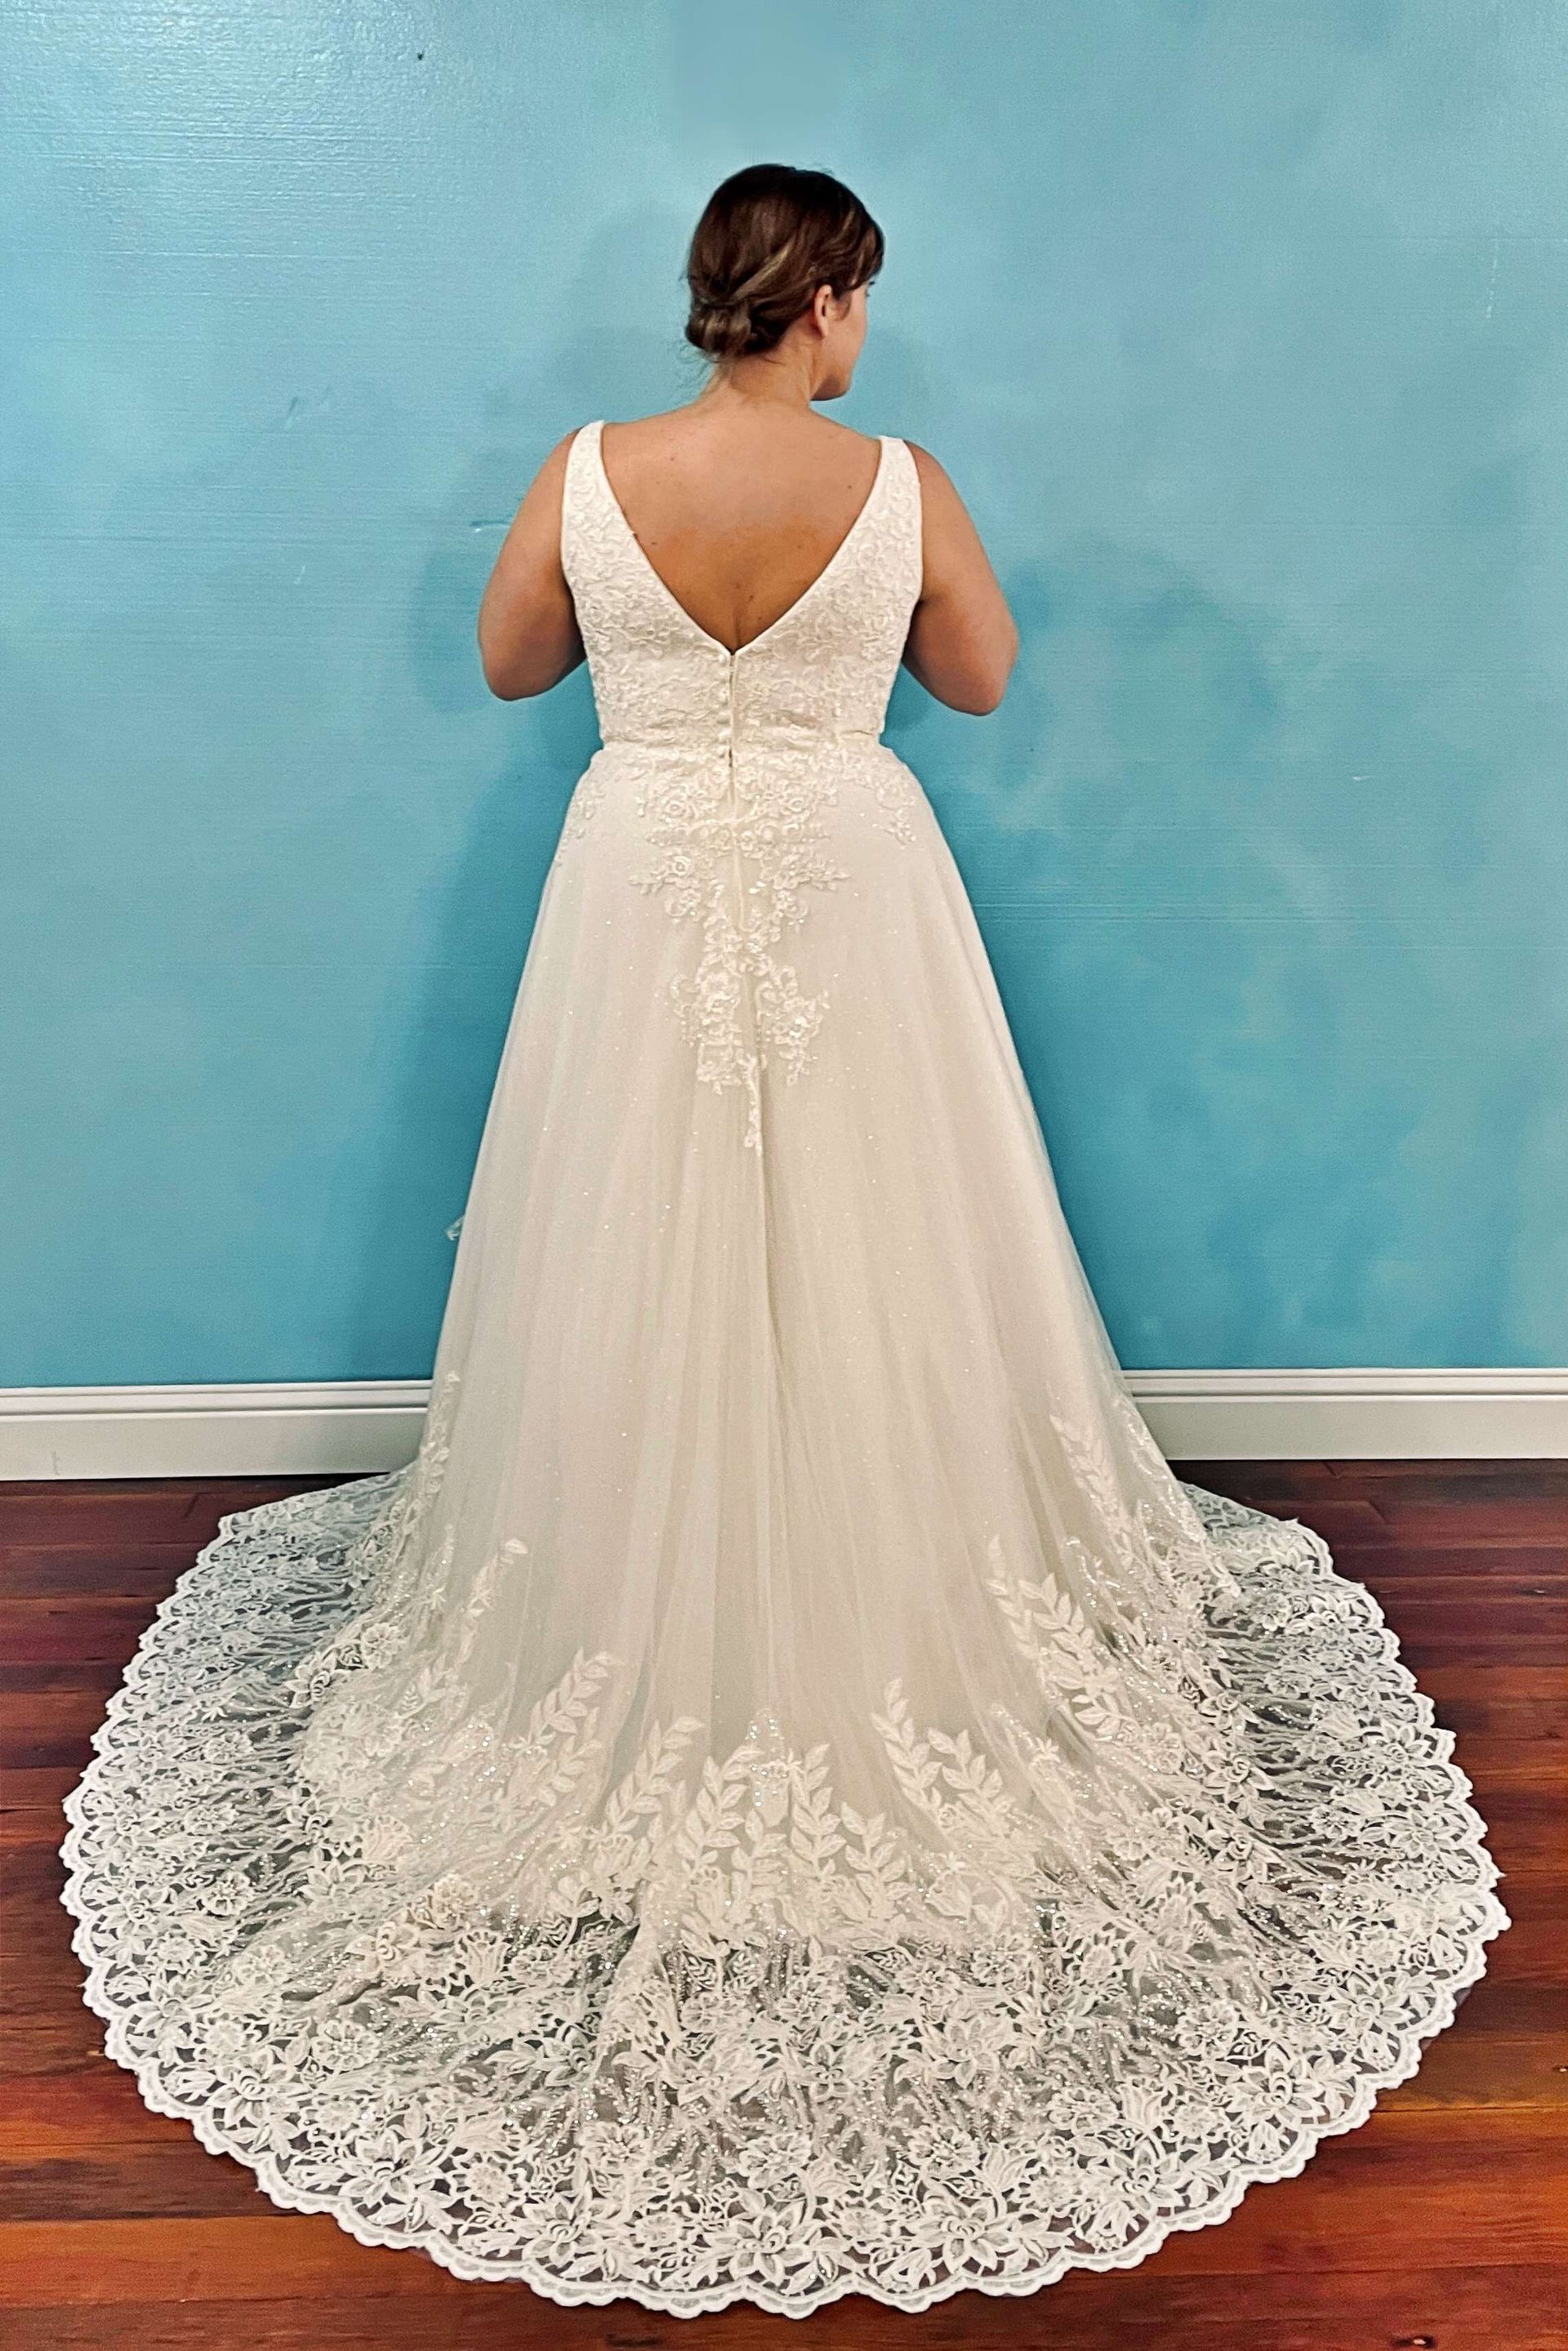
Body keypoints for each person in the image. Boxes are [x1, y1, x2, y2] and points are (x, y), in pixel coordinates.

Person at [61, 163, 1510, 2320]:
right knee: (882, 1253)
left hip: (638, 878)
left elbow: (506, 661)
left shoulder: (589, 470)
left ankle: (624, 1617)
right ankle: (878, 1592)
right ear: (819, 298)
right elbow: (988, 680)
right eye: (859, 308)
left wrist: (668, 641)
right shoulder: (898, 477)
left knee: (623, 1248)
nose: (862, 341)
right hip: (850, 883)